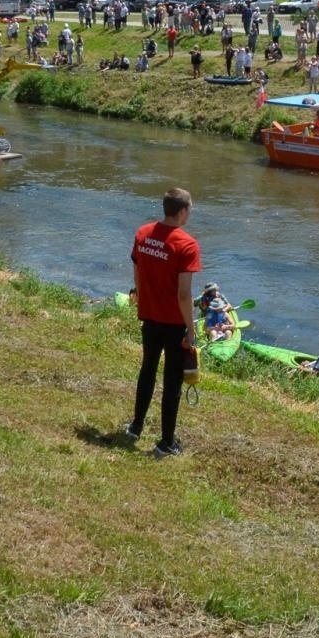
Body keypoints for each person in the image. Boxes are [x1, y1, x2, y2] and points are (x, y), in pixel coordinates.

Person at [125, 188, 200, 458]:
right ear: (182, 211)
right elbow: (184, 294)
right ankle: (166, 442)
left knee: (147, 370)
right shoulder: (187, 245)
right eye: (190, 209)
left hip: (149, 316)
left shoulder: (143, 233)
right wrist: (191, 329)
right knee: (172, 382)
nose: (190, 213)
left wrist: (142, 298)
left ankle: (136, 426)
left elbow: (137, 272)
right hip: (174, 323)